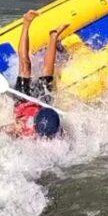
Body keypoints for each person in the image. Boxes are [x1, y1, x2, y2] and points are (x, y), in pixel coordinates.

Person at [12, 10, 67, 138]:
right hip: (43, 104)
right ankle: (53, 36)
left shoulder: (23, 129)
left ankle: (26, 23)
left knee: (25, 66)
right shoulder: (36, 129)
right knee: (47, 72)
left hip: (22, 101)